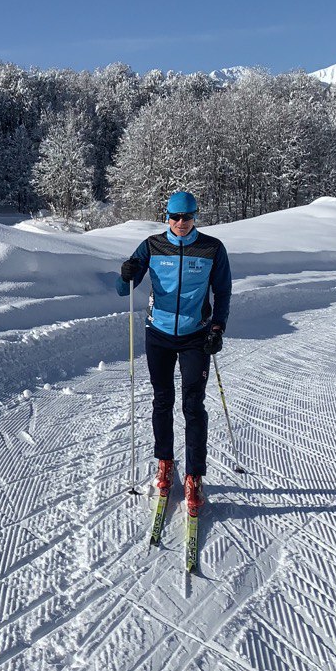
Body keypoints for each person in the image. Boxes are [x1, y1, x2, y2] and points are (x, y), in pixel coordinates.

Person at [116, 190, 232, 513]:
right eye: (175, 217)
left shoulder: (212, 249)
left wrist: (218, 328)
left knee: (193, 405)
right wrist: (124, 275)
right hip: (160, 334)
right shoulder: (152, 246)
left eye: (187, 216)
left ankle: (194, 475)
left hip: (196, 336)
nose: (181, 223)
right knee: (162, 399)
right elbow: (123, 286)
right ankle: (164, 462)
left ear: (196, 215)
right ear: (166, 216)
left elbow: (223, 291)